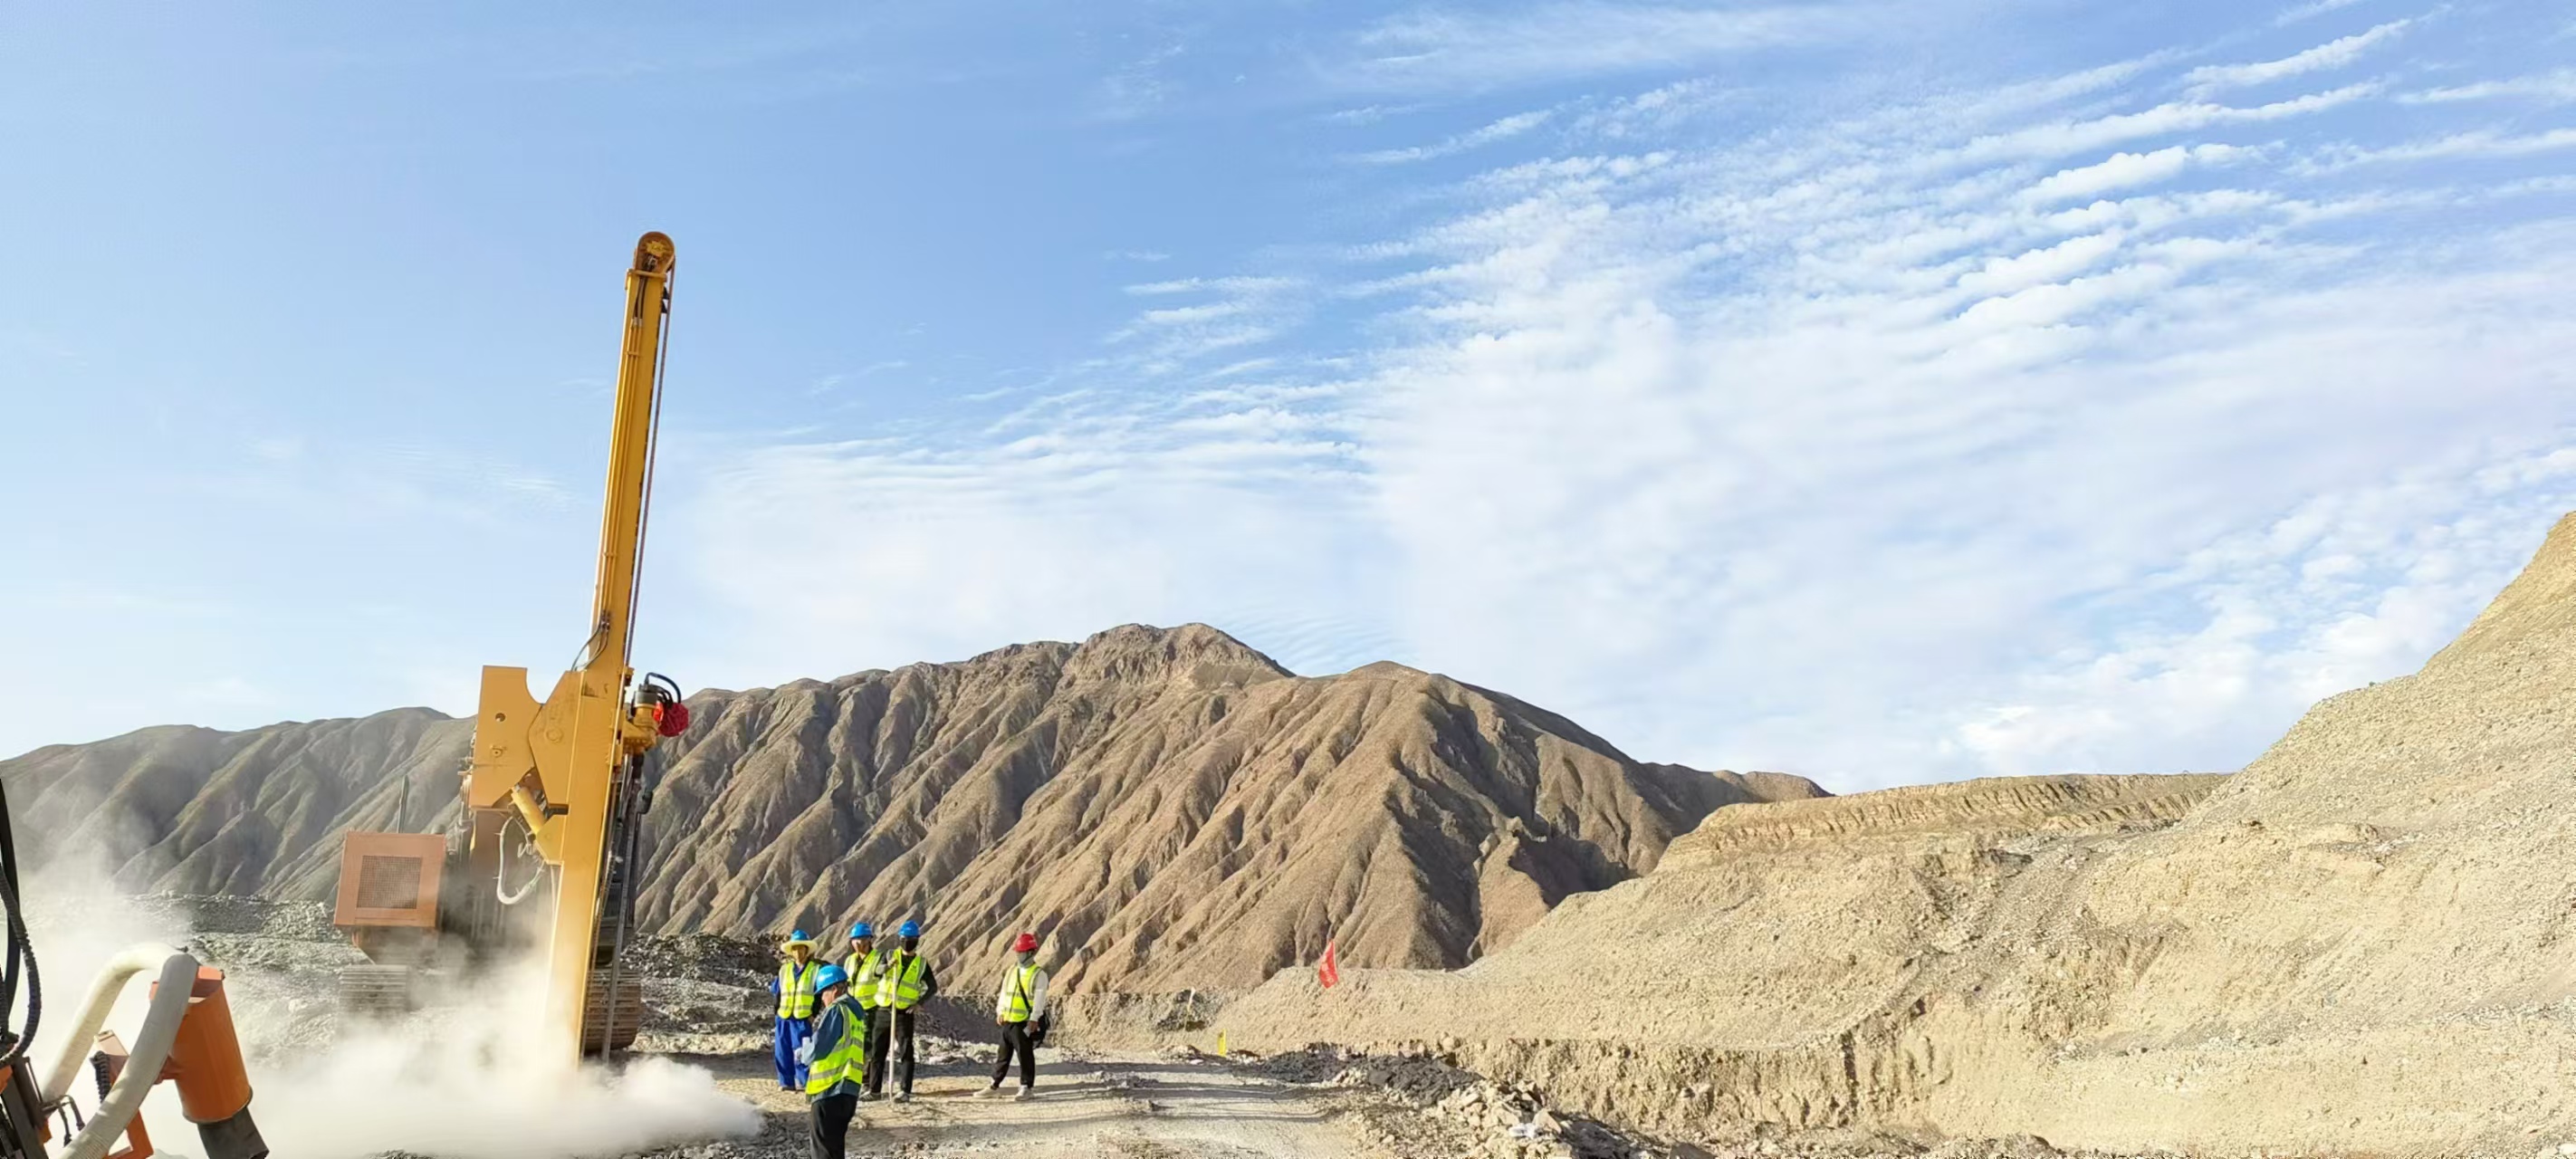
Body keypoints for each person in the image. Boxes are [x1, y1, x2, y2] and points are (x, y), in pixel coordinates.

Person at [862, 918, 938, 1103]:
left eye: (911, 939)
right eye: (904, 939)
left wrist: (919, 1003)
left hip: (904, 1013)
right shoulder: (889, 955)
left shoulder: (921, 963)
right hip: (883, 1009)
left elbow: (932, 986)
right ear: (899, 939)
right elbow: (877, 971)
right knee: (877, 1052)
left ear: (917, 940)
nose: (907, 942)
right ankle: (874, 1090)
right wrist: (888, 966)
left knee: (906, 1052)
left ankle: (904, 1091)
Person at [802, 963, 867, 1159]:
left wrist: (804, 1053)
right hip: (849, 1090)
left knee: (823, 1150)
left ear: (835, 990)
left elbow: (818, 1049)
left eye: (823, 993)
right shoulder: (857, 1013)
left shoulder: (837, 1010)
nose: (822, 999)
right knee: (835, 1149)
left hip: (830, 1089)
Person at [981, 932, 1049, 1101]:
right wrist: (1000, 1011)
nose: (1019, 955)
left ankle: (1026, 1087)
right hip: (1008, 1020)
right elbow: (1004, 993)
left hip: (1024, 1022)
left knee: (1025, 1056)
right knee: (1002, 1055)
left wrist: (1034, 1018)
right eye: (1018, 952)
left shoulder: (1038, 974)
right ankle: (994, 1085)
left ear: (1031, 952)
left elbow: (1039, 999)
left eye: (1022, 952)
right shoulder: (1012, 971)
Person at [769, 929, 826, 1090]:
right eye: (795, 949)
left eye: (801, 948)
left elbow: (819, 994)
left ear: (807, 950)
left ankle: (805, 1082)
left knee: (802, 1052)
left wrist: (813, 1014)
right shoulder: (784, 970)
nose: (798, 952)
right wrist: (776, 1012)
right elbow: (778, 992)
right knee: (782, 1051)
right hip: (784, 1016)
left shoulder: (815, 969)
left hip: (802, 1018)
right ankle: (786, 1082)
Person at [842, 922, 886, 1057]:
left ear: (869, 940)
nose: (857, 943)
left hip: (871, 1009)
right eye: (854, 940)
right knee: (853, 1041)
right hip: (853, 1009)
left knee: (868, 1044)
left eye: (861, 939)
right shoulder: (850, 960)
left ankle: (867, 1068)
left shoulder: (878, 958)